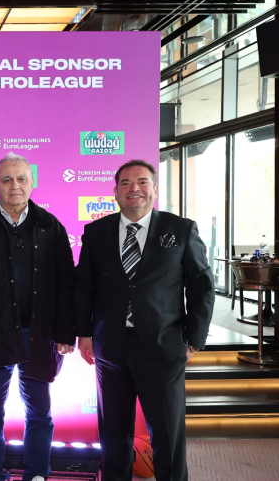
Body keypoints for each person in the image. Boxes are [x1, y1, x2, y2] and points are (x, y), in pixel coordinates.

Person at [74, 159, 214, 481]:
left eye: (141, 182)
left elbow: (201, 286)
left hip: (164, 346)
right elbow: (84, 286)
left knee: (167, 436)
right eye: (125, 183)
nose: (133, 188)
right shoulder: (96, 232)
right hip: (110, 349)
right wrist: (84, 333)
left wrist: (194, 339)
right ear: (115, 192)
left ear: (154, 189)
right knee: (113, 436)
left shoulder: (181, 229)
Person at [0, 152, 75, 481]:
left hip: (40, 334)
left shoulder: (50, 226)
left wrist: (66, 333)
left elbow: (66, 283)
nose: (14, 185)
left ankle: (36, 474)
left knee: (40, 412)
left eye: (21, 179)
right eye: (6, 179)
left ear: (32, 183)